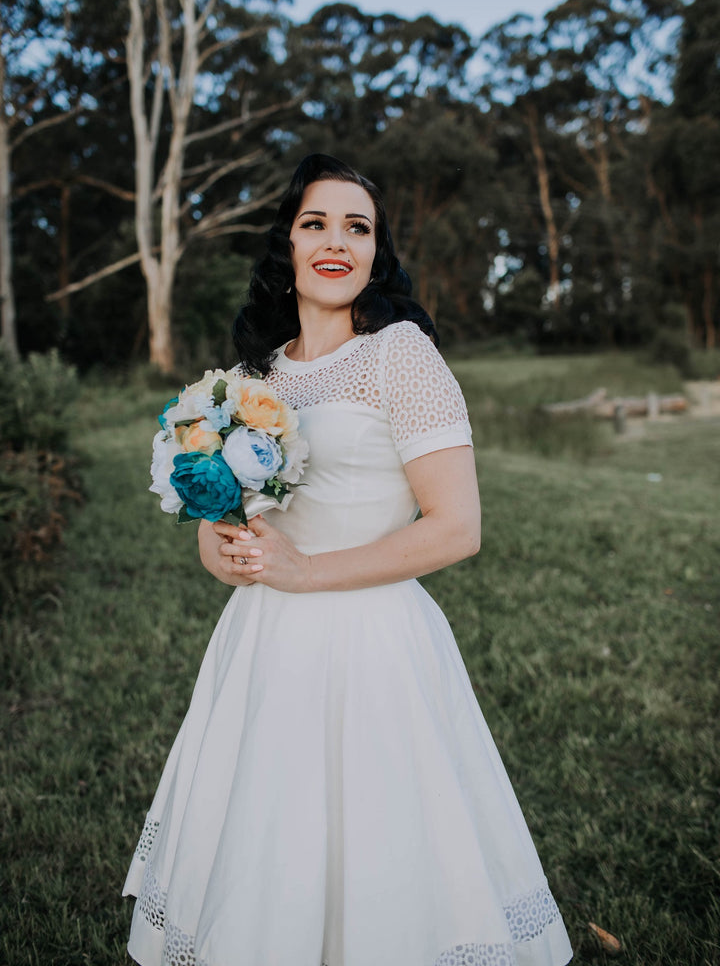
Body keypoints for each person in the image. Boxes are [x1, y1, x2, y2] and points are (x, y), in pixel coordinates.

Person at [123, 154, 573, 966]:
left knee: (380, 852)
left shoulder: (400, 354)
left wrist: (308, 573)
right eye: (315, 223)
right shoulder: (254, 378)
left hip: (373, 644)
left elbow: (456, 527)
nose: (337, 241)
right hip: (262, 643)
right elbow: (232, 515)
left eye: (357, 227)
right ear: (287, 246)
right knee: (267, 843)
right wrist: (219, 544)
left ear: (376, 253)